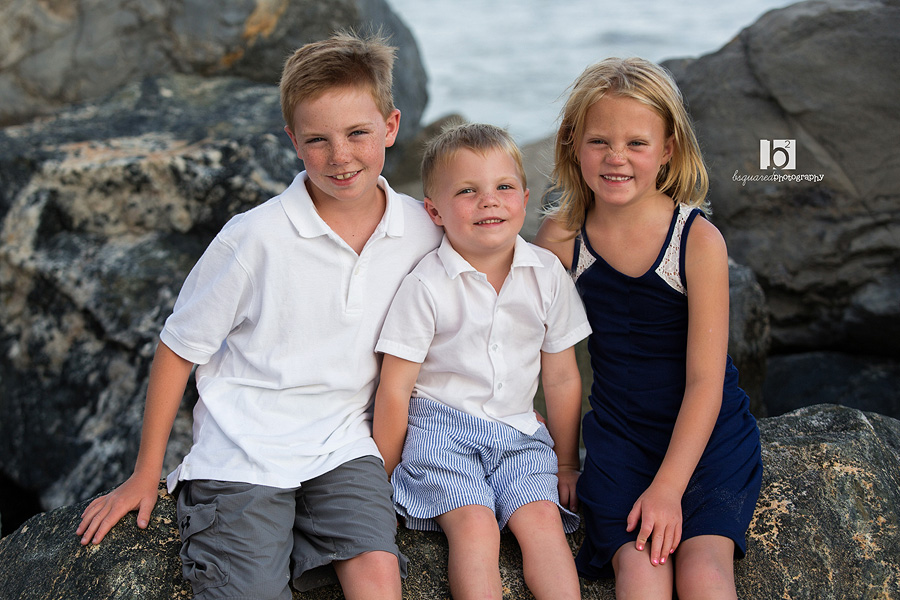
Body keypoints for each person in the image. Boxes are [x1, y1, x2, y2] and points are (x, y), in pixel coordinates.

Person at [76, 31, 443, 600]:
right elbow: (177, 350)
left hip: (346, 444)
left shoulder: (422, 227)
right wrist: (145, 473)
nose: (340, 156)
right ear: (293, 141)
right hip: (243, 449)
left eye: (358, 133)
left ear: (391, 127)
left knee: (378, 577)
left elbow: (475, 298)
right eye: (318, 139)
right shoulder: (254, 237)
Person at [534, 57, 762, 599]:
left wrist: (668, 490)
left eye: (636, 143)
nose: (616, 158)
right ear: (572, 144)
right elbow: (540, 353)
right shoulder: (562, 238)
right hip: (620, 439)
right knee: (640, 572)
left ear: (668, 150)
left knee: (704, 572)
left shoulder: (697, 241)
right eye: (599, 142)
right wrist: (563, 459)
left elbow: (706, 381)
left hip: (707, 436)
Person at [373, 122, 591, 600]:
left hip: (520, 433)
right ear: (435, 211)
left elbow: (561, 377)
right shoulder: (426, 285)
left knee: (543, 521)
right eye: (467, 191)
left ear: (525, 199)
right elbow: (395, 388)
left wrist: (567, 462)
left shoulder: (547, 275)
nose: (489, 201)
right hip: (441, 431)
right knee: (475, 527)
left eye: (504, 187)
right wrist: (380, 479)